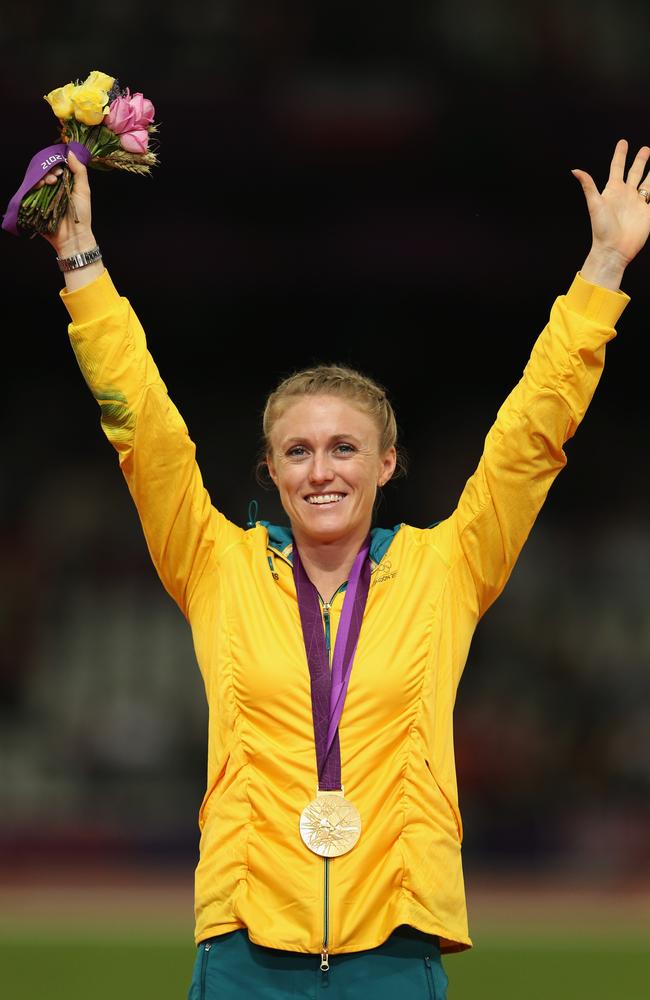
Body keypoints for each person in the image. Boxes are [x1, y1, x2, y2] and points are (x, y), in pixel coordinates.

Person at [31, 138, 650, 999]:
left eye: (344, 448)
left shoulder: (448, 569)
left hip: (398, 946)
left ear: (387, 463)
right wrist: (79, 259)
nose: (322, 470)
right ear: (273, 471)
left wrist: (605, 268)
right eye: (299, 451)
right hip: (244, 948)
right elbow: (146, 432)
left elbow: (528, 442)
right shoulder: (215, 566)